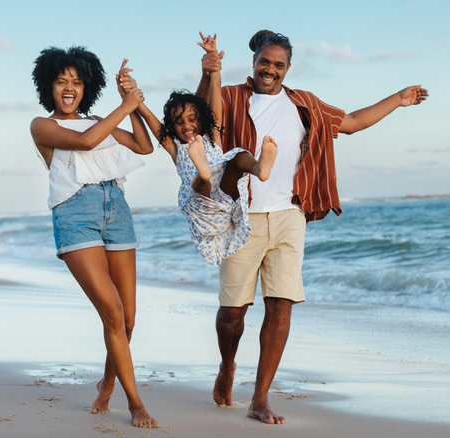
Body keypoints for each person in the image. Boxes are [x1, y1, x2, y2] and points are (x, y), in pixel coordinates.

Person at [197, 30, 429, 424]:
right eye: (264, 62)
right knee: (233, 311)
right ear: (253, 61)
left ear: (288, 68)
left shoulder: (303, 103)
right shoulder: (232, 95)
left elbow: (352, 123)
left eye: (278, 65)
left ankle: (260, 397)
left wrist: (398, 99)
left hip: (290, 215)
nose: (270, 70)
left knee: (282, 303)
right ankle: (227, 364)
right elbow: (203, 120)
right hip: (242, 216)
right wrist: (208, 74)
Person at [29, 46, 159, 429]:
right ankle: (135, 404)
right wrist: (127, 105)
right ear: (48, 85)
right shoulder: (41, 125)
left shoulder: (99, 120)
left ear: (87, 87)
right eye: (61, 81)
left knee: (128, 320)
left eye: (77, 82)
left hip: (116, 209)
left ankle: (107, 382)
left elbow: (144, 146)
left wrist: (129, 104)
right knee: (113, 313)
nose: (69, 88)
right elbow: (85, 142)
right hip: (76, 214)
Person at [120, 34, 277, 265]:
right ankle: (202, 171)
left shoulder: (213, 136)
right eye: (179, 122)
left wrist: (214, 64)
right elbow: (148, 116)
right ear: (172, 127)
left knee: (237, 156)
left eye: (192, 119)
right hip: (202, 204)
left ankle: (259, 168)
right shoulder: (175, 148)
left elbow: (215, 92)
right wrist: (131, 94)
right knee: (200, 182)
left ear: (201, 119)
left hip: (223, 199)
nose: (187, 126)